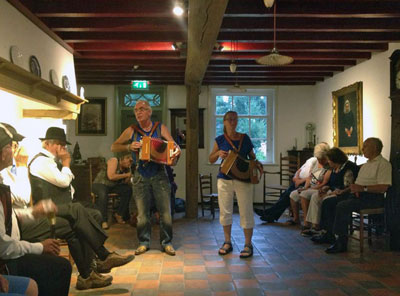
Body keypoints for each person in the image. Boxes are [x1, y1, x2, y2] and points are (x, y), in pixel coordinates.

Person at [27, 126, 135, 289]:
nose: (64, 149)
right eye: (62, 145)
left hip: (61, 206)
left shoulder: (51, 161)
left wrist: (64, 165)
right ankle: (102, 256)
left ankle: (91, 269)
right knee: (77, 212)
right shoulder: (41, 161)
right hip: (48, 210)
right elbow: (64, 181)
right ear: (53, 144)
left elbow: (69, 188)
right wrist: (67, 162)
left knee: (95, 214)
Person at [0, 123, 72, 295]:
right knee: (59, 267)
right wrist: (39, 247)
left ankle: (92, 266)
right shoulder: (33, 163)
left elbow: (8, 215)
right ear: (2, 153)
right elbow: (3, 246)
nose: (16, 149)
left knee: (77, 215)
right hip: (7, 258)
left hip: (14, 244)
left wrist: (33, 212)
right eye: (11, 145)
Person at [111, 100, 181, 256]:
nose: (138, 112)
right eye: (136, 110)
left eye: (142, 109)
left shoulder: (160, 128)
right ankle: (144, 242)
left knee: (165, 211)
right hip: (139, 175)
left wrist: (177, 150)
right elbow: (114, 146)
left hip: (159, 173)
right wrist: (129, 147)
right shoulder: (131, 130)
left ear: (149, 112)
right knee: (142, 214)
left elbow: (173, 145)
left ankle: (166, 243)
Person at [321, 138, 391, 253]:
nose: (362, 149)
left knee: (342, 206)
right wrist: (350, 189)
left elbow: (383, 188)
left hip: (372, 199)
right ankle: (329, 234)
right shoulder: (367, 164)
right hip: (358, 195)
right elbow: (357, 184)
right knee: (328, 202)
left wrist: (363, 188)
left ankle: (341, 242)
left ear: (374, 148)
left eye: (365, 146)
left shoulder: (383, 165)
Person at [209, 111, 263, 258]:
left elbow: (253, 157)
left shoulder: (245, 138)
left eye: (235, 119)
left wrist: (252, 162)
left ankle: (248, 244)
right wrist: (219, 153)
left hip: (243, 179)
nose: (233, 122)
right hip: (224, 178)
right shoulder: (220, 140)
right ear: (224, 122)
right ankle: (227, 242)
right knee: (225, 210)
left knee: (246, 210)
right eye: (230, 119)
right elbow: (211, 159)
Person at [255, 142, 330, 223]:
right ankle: (270, 214)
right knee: (285, 194)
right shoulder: (314, 161)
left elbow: (318, 180)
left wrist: (303, 184)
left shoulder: (329, 166)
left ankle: (269, 213)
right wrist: (297, 179)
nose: (319, 160)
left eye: (321, 158)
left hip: (310, 185)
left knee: (287, 195)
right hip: (304, 183)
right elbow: (306, 174)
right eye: (318, 158)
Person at [305, 147, 359, 237]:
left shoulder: (349, 167)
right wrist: (326, 187)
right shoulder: (334, 168)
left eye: (329, 160)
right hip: (334, 190)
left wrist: (335, 192)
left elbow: (349, 186)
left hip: (344, 193)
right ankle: (315, 226)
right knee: (315, 196)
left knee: (326, 200)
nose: (328, 162)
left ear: (335, 159)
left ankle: (326, 229)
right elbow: (331, 183)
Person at [92, 153, 133, 229]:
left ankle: (119, 214)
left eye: (131, 161)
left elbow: (124, 182)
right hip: (100, 183)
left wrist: (130, 175)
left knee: (127, 190)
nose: (130, 162)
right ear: (122, 159)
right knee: (103, 194)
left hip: (112, 186)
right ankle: (103, 220)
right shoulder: (114, 160)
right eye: (128, 159)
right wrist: (127, 175)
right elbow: (111, 176)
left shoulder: (127, 168)